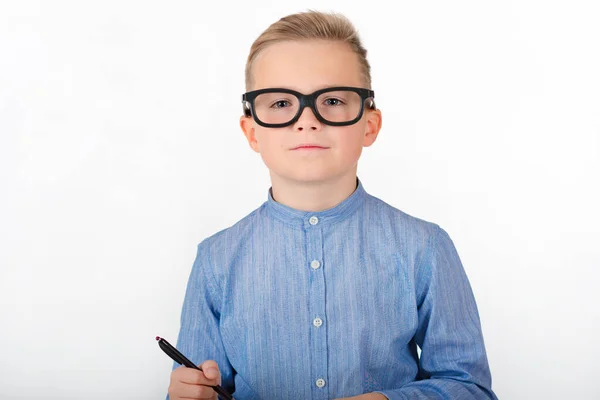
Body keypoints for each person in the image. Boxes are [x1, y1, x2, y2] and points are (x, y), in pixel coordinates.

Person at [166, 10, 497, 400]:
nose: (307, 120)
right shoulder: (215, 261)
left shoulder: (425, 247)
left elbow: (469, 388)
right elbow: (199, 388)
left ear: (369, 125)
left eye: (334, 100)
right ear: (252, 132)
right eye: (280, 104)